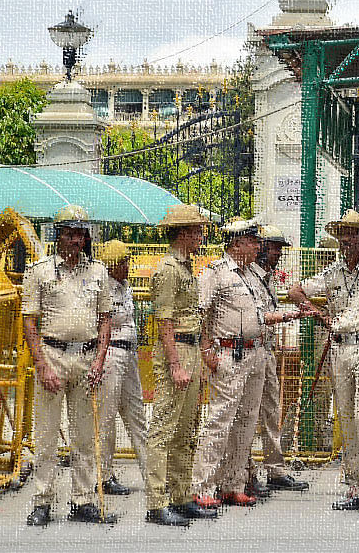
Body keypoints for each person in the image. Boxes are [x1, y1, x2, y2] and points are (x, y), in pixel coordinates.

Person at [288, 209, 359, 517]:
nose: (346, 240)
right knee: (347, 420)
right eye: (342, 234)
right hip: (341, 349)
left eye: (352, 234)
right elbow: (295, 290)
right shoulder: (332, 272)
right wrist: (316, 312)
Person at [22, 204, 116, 526]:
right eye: (70, 233)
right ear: (57, 236)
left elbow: (106, 320)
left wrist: (100, 360)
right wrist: (42, 364)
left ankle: (83, 500)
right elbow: (30, 323)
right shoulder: (39, 271)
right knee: (46, 436)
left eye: (81, 234)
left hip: (87, 358)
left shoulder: (99, 273)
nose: (76, 240)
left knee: (86, 436)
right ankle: (42, 501)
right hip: (52, 357)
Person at [191, 219, 273, 508]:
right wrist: (205, 351)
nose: (257, 245)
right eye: (252, 240)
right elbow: (200, 313)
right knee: (219, 422)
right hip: (228, 355)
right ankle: (203, 486)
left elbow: (262, 313)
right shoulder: (216, 273)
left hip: (255, 354)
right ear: (237, 243)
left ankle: (233, 483)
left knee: (246, 423)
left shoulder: (252, 275)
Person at [145, 203, 216, 527]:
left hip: (190, 352)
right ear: (184, 233)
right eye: (198, 231)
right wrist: (175, 364)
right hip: (176, 353)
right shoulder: (169, 270)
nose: (202, 236)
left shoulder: (186, 267)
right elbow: (165, 321)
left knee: (186, 431)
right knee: (163, 430)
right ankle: (157, 502)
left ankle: (181, 496)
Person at [244, 224, 310, 497]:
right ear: (262, 248)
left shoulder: (268, 277)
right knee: (247, 414)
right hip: (250, 350)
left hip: (267, 349)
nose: (278, 253)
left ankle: (275, 468)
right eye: (275, 248)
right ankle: (246, 471)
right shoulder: (248, 276)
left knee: (272, 409)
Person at [96, 240, 149, 498]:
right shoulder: (102, 288)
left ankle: (153, 476)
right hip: (111, 354)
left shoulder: (125, 287)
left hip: (129, 354)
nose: (128, 266)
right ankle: (102, 476)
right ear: (113, 265)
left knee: (137, 415)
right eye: (124, 262)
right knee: (106, 418)